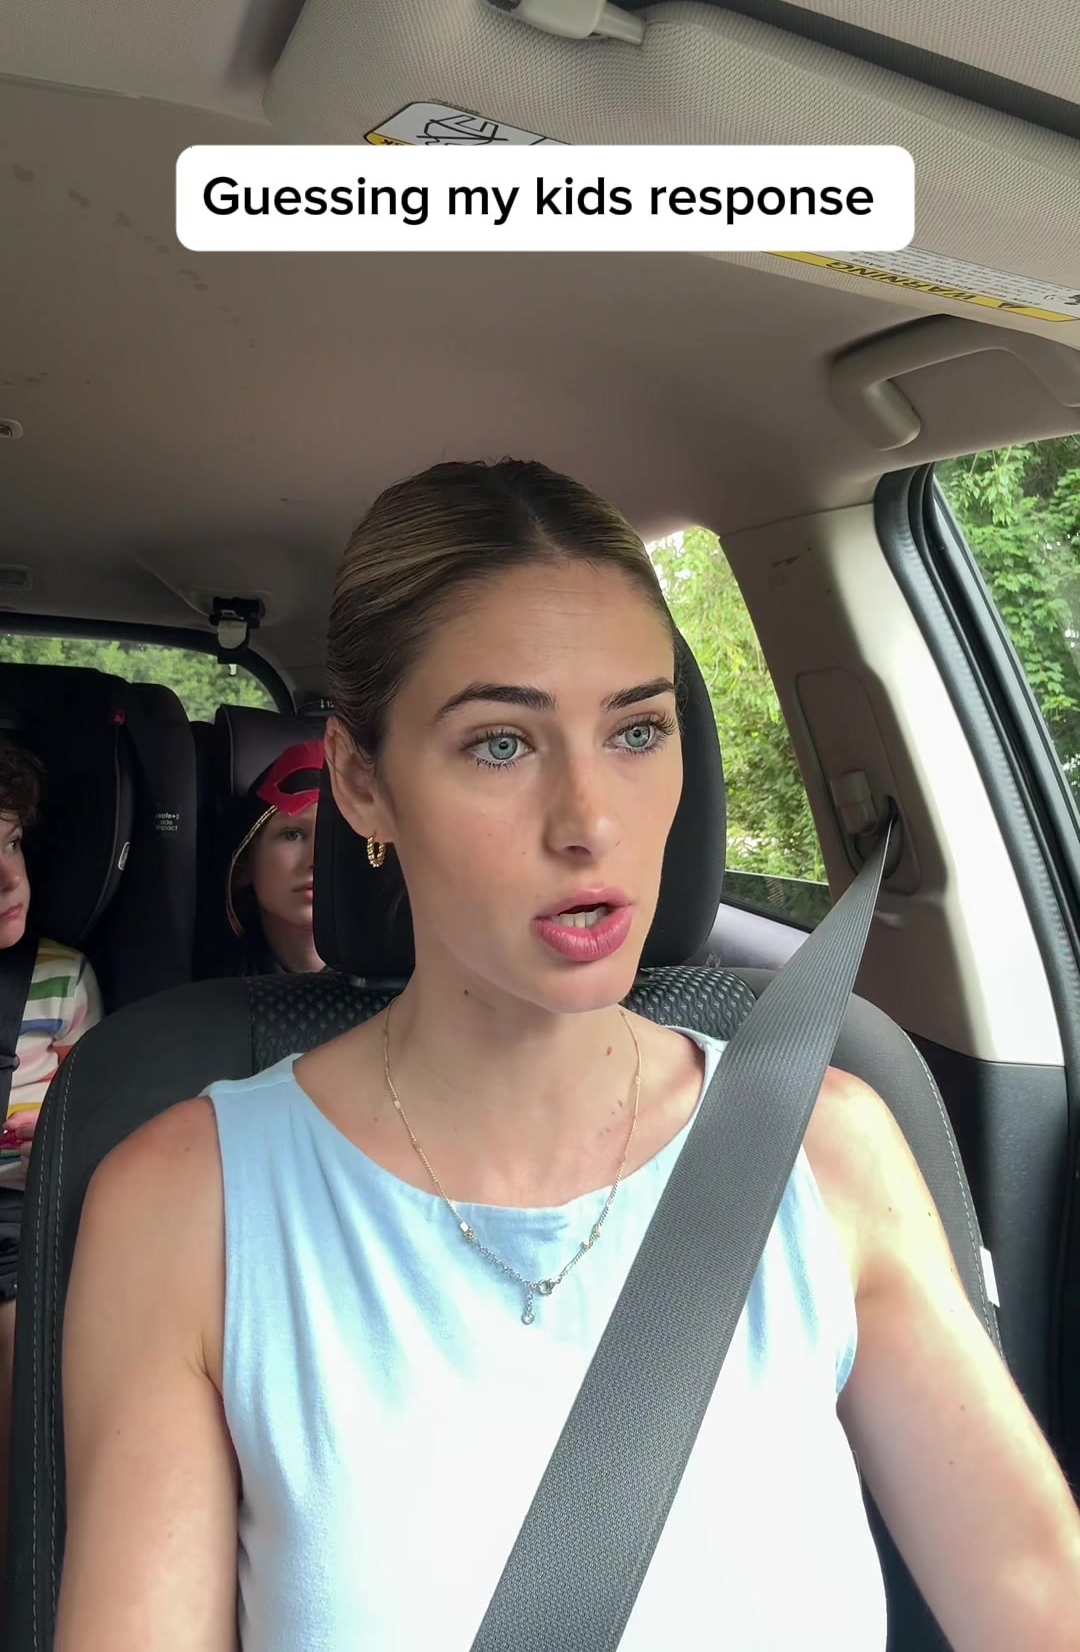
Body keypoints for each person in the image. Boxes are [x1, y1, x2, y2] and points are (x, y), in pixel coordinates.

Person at [57, 460, 1080, 1650]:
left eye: (638, 730)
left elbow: (1036, 1592)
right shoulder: (186, 1210)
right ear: (362, 783)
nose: (592, 821)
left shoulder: (825, 1149)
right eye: (501, 744)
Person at [0, 739, 102, 1572]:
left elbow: (78, 1139)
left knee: (18, 1334)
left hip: (19, 1230)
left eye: (11, 843)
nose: (9, 879)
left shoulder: (60, 981)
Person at [219, 740, 326, 976]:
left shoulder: (404, 983)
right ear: (246, 864)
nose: (316, 860)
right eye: (293, 834)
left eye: (335, 838)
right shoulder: (205, 989)